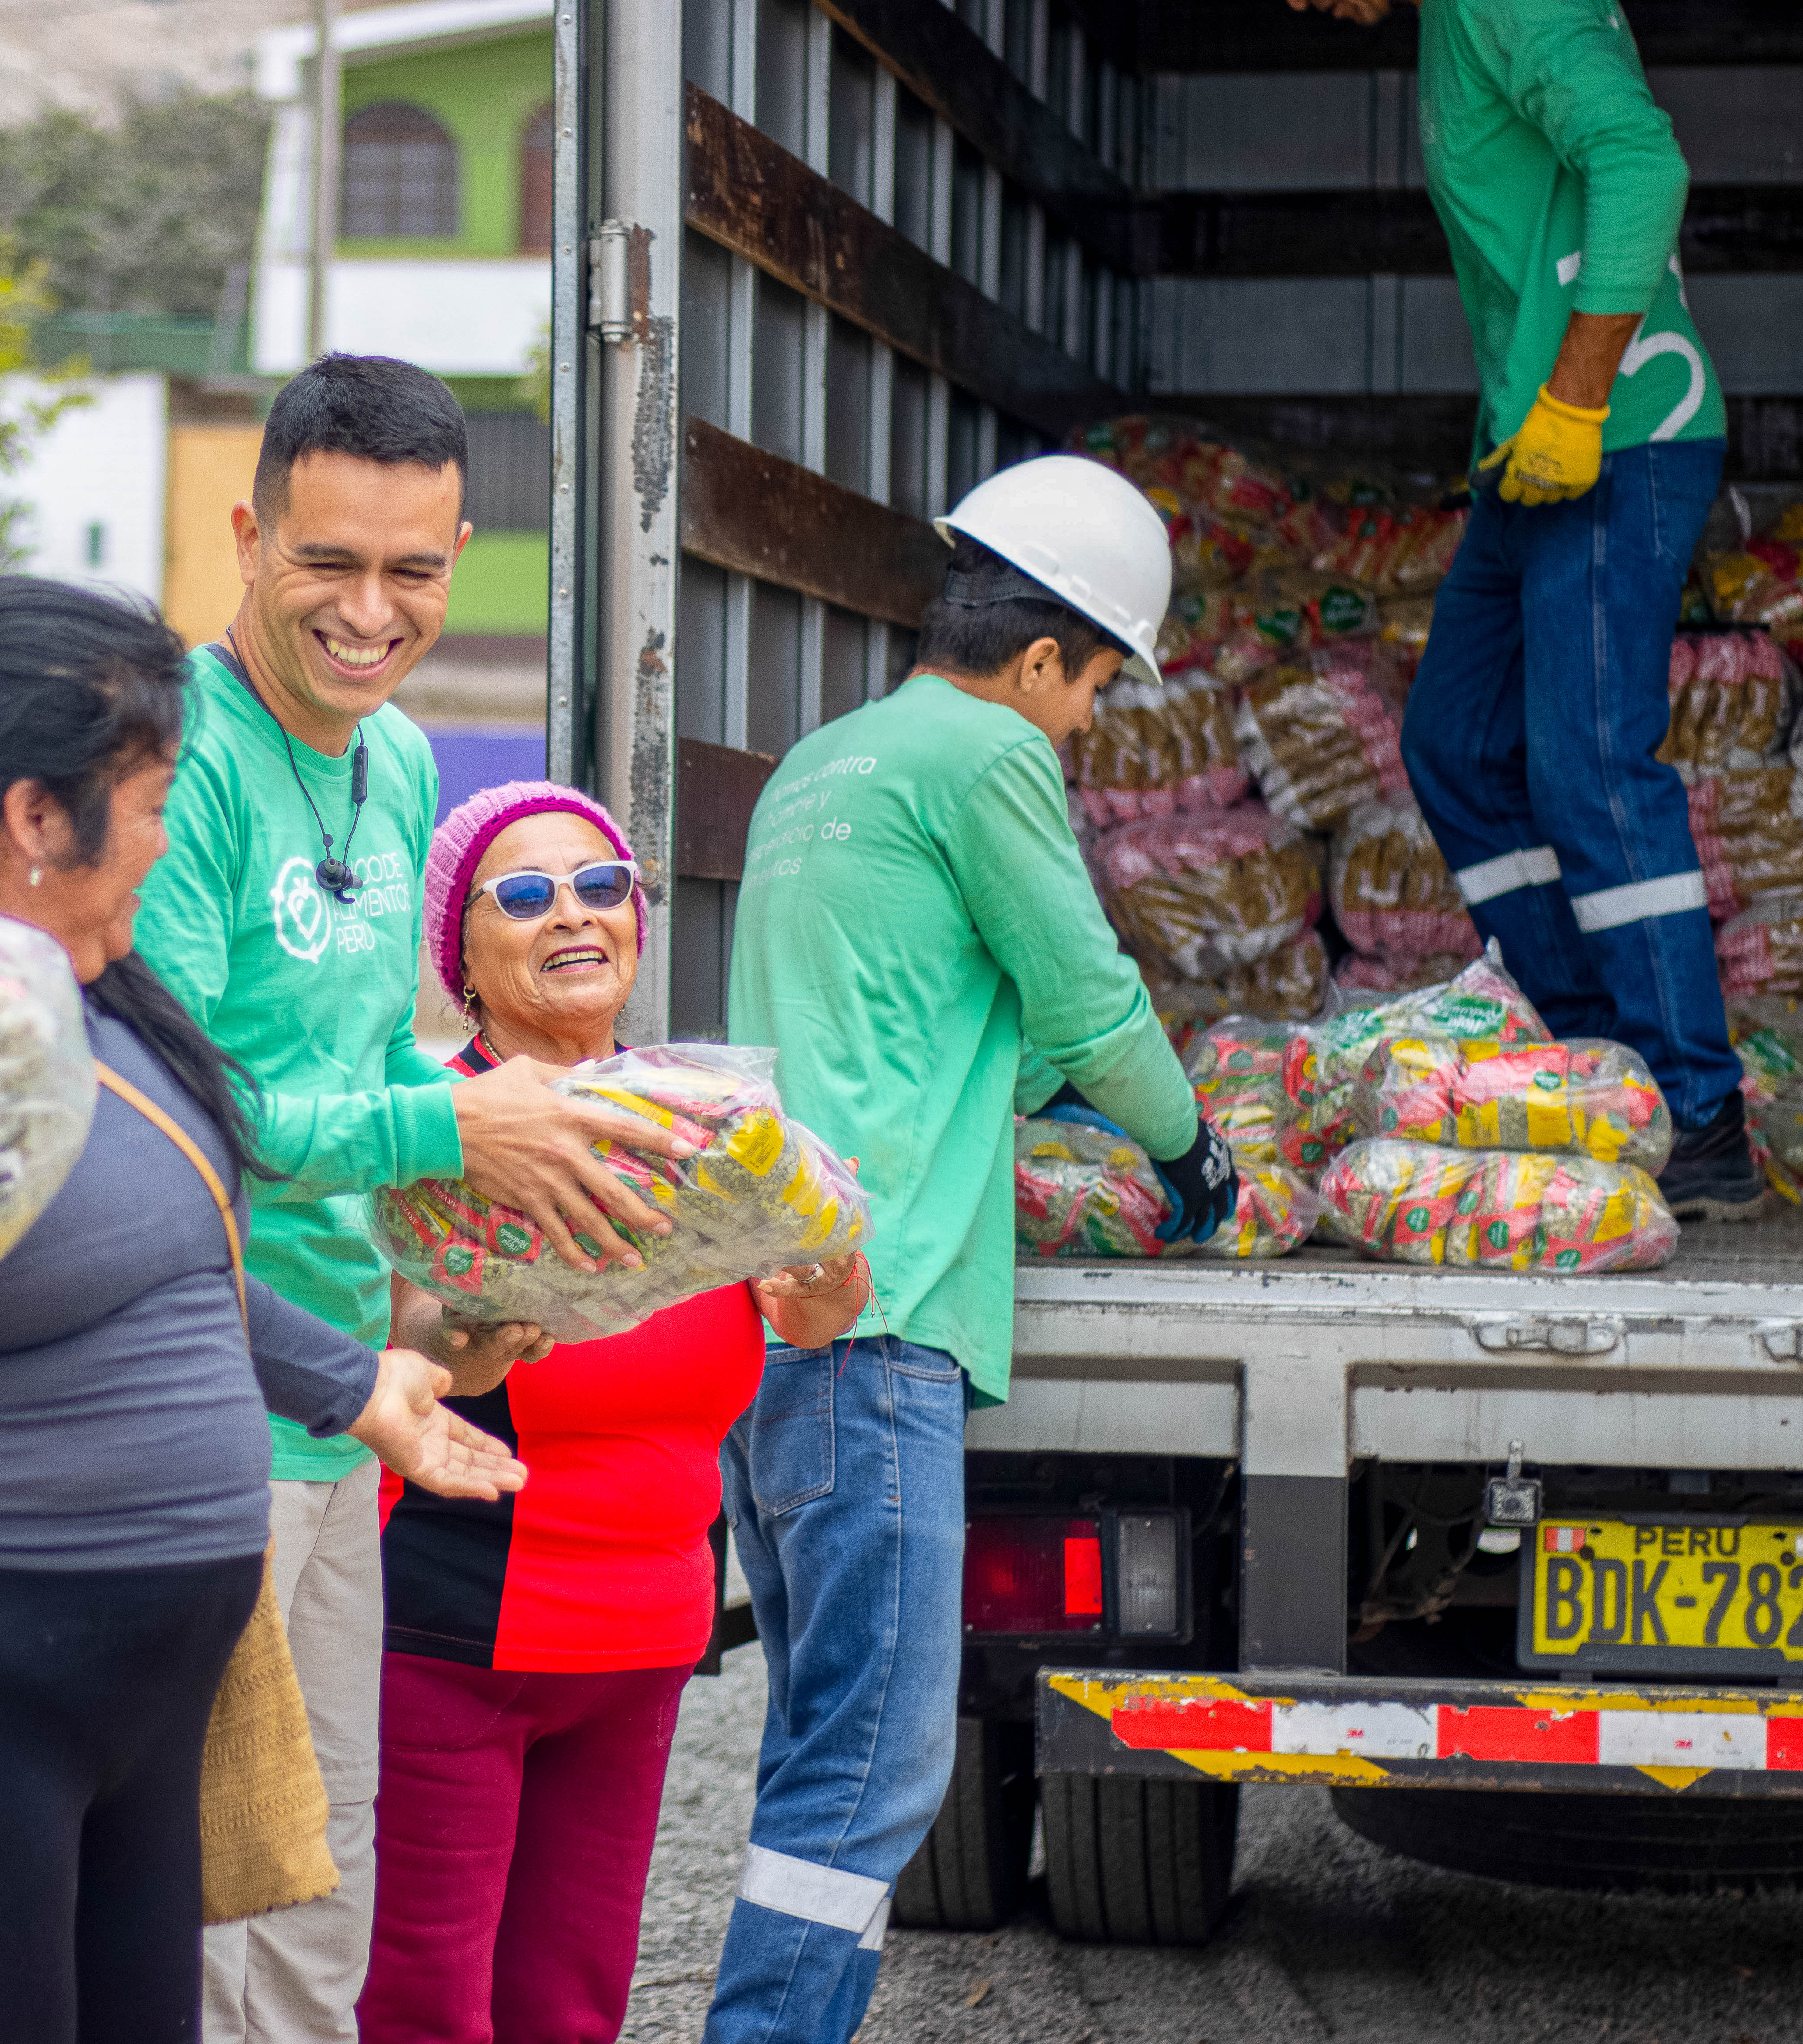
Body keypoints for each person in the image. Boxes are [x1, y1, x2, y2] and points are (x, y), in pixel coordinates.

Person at [0, 578, 527, 2044]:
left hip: (151, 1683)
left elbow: (174, 1272)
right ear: (34, 817)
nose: (165, 834)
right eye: (148, 803)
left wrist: (358, 1386)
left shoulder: (102, 995)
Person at [131, 354, 698, 2044]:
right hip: (200, 1398)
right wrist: (456, 1141)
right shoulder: (174, 759)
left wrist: (452, 1294)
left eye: (415, 570)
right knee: (200, 1893)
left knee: (324, 1886)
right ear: (248, 535)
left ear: (461, 552)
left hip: (349, 1414)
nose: (370, 611)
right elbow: (171, 1110)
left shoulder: (396, 769)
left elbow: (376, 1062)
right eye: (328, 562)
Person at [710, 457, 1236, 2043]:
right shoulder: (988, 755)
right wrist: (1186, 1145)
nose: (1083, 732)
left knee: (827, 1740)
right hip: (878, 1331)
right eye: (1091, 693)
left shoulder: (831, 760)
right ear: (1034, 663)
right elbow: (1084, 995)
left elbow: (930, 1028)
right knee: (876, 1762)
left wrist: (1055, 1078)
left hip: (779, 1325)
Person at [357, 781, 869, 2044]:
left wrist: (827, 1255)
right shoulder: (445, 1121)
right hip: (456, 1631)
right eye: (523, 895)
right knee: (427, 2006)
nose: (574, 914)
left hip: (644, 1636)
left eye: (601, 886)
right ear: (460, 956)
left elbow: (813, 1317)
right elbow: (406, 1353)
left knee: (571, 2011)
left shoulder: (702, 1114)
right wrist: (472, 1338)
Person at [1287, 0, 1750, 1212]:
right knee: (1455, 743)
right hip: (1534, 455)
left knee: (1593, 765)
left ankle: (1696, 1110)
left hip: (1621, 433)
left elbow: (1644, 161)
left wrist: (1581, 400)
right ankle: (1597, 1055)